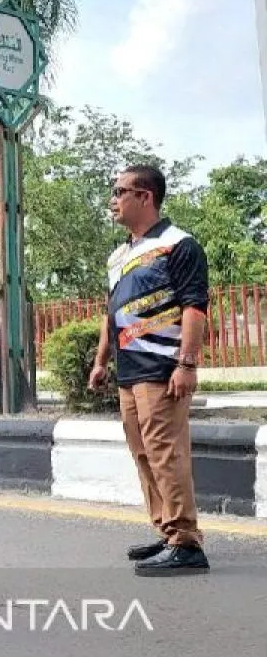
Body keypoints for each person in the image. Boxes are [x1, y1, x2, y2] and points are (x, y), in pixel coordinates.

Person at [88, 164, 210, 576]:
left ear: (145, 197)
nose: (113, 200)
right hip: (129, 371)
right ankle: (166, 531)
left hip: (162, 369)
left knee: (165, 452)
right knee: (143, 454)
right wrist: (101, 361)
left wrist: (186, 363)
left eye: (119, 191)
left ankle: (186, 542)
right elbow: (111, 313)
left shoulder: (179, 245)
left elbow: (194, 307)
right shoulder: (119, 256)